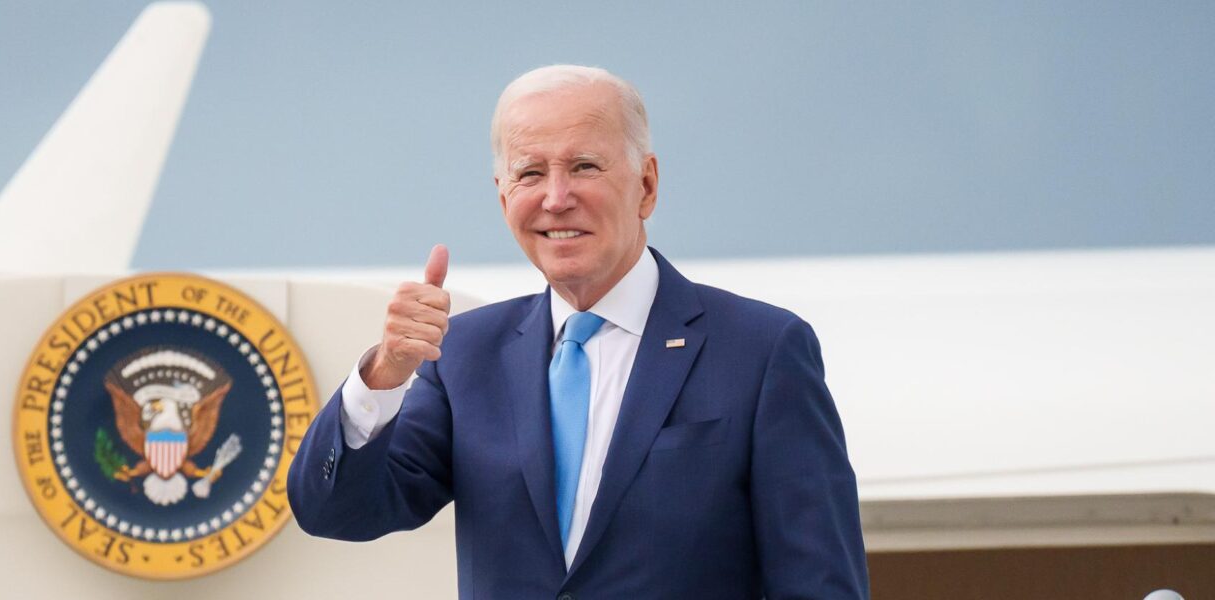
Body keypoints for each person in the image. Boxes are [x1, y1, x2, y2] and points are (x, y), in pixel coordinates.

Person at [289, 65, 869, 599]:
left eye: (585, 167)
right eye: (530, 173)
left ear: (646, 185)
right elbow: (336, 512)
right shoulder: (464, 355)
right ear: (503, 196)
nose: (556, 198)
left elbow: (819, 583)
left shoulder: (762, 351)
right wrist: (384, 375)